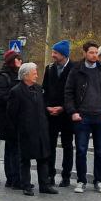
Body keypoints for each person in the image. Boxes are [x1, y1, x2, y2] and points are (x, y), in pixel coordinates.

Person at [64, 41, 101, 193]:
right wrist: (73, 112)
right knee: (81, 149)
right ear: (85, 53)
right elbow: (68, 92)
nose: (94, 55)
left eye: (96, 53)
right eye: (91, 53)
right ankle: (81, 180)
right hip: (82, 117)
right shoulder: (76, 70)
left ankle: (99, 180)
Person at [6, 62, 54, 195]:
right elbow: (12, 113)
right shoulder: (16, 91)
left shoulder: (38, 89)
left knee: (43, 158)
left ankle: (44, 185)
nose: (36, 76)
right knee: (25, 159)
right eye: (34, 74)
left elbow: (42, 107)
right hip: (26, 130)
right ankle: (26, 185)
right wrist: (19, 128)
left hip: (41, 129)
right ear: (25, 75)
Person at [43, 40, 76, 186]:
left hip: (67, 114)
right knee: (50, 145)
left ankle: (66, 175)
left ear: (63, 54)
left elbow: (76, 93)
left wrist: (63, 107)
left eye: (55, 53)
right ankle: (50, 174)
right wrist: (47, 107)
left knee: (67, 145)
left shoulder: (74, 69)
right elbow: (44, 90)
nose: (53, 55)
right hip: (51, 114)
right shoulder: (49, 68)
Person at [0, 50, 23, 188]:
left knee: (12, 148)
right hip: (6, 118)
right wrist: (16, 98)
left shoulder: (16, 75)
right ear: (13, 61)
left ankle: (13, 177)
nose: (21, 62)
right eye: (18, 59)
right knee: (14, 148)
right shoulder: (4, 77)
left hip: (14, 117)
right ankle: (14, 178)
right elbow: (0, 97)